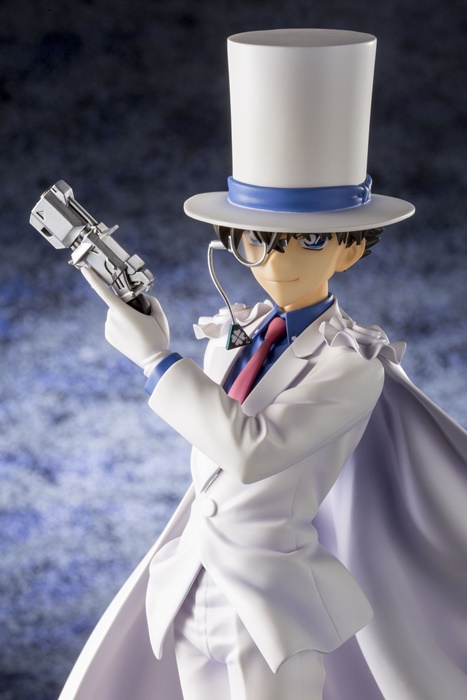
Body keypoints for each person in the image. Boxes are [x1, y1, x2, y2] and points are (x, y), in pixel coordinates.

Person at [58, 29, 467, 700]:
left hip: (272, 610)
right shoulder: (231, 333)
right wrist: (157, 335)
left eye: (311, 239)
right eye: (257, 238)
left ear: (351, 249)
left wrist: (155, 358)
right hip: (190, 592)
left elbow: (252, 452)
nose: (278, 261)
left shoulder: (351, 366)